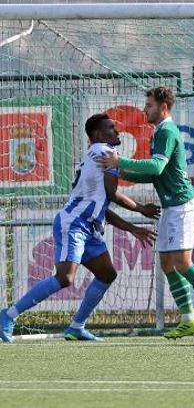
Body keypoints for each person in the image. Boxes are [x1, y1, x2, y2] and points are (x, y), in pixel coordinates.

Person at [0, 114, 157, 342]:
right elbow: (113, 194)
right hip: (74, 224)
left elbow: (103, 208)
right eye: (111, 128)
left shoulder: (96, 155)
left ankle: (76, 327)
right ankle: (8, 315)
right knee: (65, 278)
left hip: (88, 226)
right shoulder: (106, 152)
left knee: (106, 274)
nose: (117, 131)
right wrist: (142, 209)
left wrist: (132, 228)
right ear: (97, 135)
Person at [99, 87, 194, 339]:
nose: (144, 109)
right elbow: (154, 174)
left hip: (183, 206)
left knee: (182, 263)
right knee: (167, 263)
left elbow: (157, 166)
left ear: (163, 108)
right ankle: (189, 319)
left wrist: (121, 162)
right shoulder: (159, 133)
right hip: (172, 208)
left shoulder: (167, 131)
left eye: (148, 105)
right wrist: (123, 173)